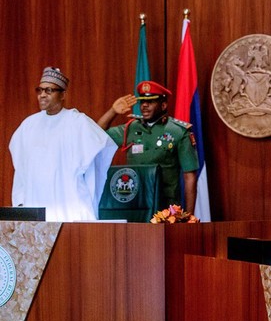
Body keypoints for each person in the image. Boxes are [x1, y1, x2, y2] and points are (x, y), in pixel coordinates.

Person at [9, 66, 117, 221]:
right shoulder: (28, 125)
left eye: (49, 91)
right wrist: (20, 201)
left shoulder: (78, 122)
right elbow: (20, 168)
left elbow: (103, 148)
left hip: (68, 203)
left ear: (63, 95)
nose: (42, 95)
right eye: (39, 90)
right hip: (36, 203)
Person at [97, 81, 199, 214]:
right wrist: (113, 111)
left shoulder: (178, 131)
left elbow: (189, 177)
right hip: (135, 203)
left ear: (163, 105)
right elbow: (97, 134)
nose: (144, 105)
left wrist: (189, 216)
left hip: (166, 207)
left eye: (150, 102)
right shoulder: (131, 127)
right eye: (142, 101)